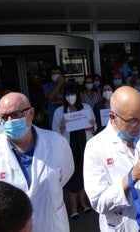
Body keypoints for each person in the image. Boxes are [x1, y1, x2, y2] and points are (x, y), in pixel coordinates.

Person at [83, 86, 140, 232]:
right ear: (113, 117)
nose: (139, 125)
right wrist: (131, 178)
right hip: (124, 226)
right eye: (132, 120)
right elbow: (99, 203)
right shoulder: (95, 147)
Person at [0, 92, 74, 232]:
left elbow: (65, 175)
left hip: (52, 226)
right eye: (4, 117)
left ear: (31, 113)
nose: (10, 121)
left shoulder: (57, 142)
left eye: (16, 114)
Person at [52, 85, 96, 219]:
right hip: (69, 147)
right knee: (72, 177)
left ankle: (82, 202)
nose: (71, 97)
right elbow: (54, 133)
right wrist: (62, 127)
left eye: (73, 94)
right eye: (68, 94)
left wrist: (91, 124)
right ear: (64, 97)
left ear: (78, 96)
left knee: (84, 175)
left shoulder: (86, 108)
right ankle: (74, 206)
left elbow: (94, 127)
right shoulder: (59, 111)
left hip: (84, 145)